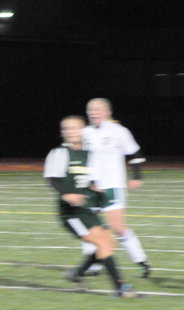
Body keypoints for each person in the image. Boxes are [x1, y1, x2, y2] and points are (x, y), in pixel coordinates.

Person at [44, 115, 138, 298]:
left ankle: (77, 273)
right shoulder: (60, 152)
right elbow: (52, 179)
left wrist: (96, 189)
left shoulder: (89, 154)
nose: (70, 132)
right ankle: (121, 287)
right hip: (71, 213)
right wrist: (67, 194)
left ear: (83, 131)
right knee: (103, 244)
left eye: (75, 128)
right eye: (66, 129)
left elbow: (90, 179)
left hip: (86, 209)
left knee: (108, 243)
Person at [82, 98, 151, 278]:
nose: (94, 112)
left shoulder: (119, 131)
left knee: (118, 228)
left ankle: (141, 261)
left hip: (112, 186)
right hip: (90, 188)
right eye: (91, 109)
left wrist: (137, 177)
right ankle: (93, 265)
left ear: (108, 112)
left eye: (98, 109)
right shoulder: (85, 133)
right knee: (90, 228)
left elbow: (135, 154)